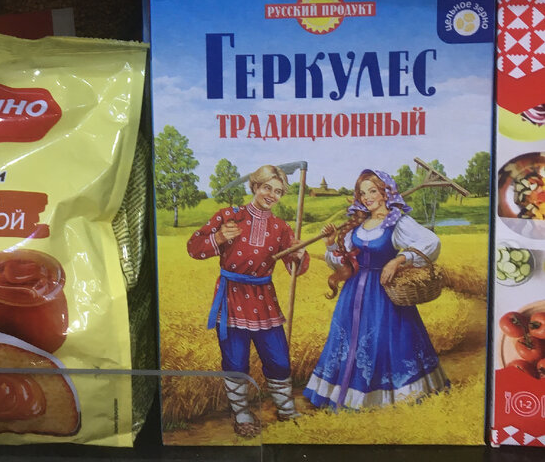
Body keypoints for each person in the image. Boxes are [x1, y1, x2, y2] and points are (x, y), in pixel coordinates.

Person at [304, 167, 449, 412]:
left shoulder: (398, 222)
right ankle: (344, 396)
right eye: (362, 193)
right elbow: (343, 264)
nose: (367, 197)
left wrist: (399, 260)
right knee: (346, 340)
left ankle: (388, 398)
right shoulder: (357, 224)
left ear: (385, 192)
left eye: (373, 191)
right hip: (352, 294)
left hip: (384, 294)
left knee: (387, 341)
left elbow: (431, 242)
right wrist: (331, 246)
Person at [187, 164, 308, 438]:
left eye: (278, 191)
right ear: (255, 186)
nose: (272, 195)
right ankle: (241, 413)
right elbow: (194, 247)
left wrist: (298, 256)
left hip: (264, 300)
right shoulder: (229, 216)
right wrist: (219, 237)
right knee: (235, 360)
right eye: (267, 188)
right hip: (231, 298)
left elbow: (294, 267)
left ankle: (286, 408)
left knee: (279, 359)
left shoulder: (281, 227)